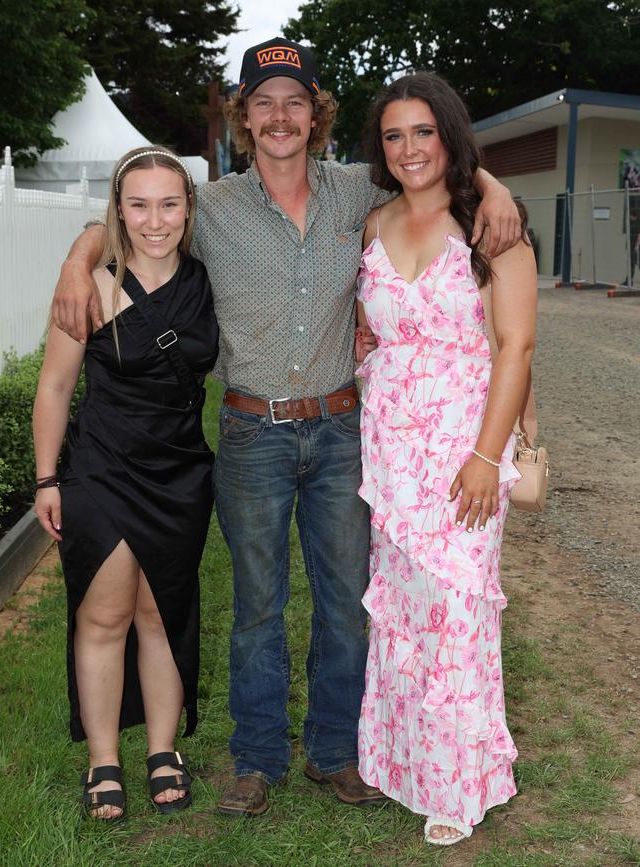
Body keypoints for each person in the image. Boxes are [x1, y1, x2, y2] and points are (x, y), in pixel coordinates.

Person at [49, 38, 522, 818]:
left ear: (316, 115)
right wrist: (76, 256)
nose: (279, 116)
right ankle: (257, 757)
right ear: (243, 116)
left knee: (345, 600)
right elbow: (137, 223)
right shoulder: (213, 206)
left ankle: (336, 752)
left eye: (294, 102)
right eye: (262, 102)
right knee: (257, 606)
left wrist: (493, 183)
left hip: (342, 431)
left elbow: (434, 169)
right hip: (251, 435)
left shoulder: (354, 192)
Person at [355, 72, 537, 845]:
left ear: (450, 134)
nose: (409, 149)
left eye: (423, 131)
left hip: (465, 448)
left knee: (459, 612)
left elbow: (518, 345)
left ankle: (458, 784)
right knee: (403, 614)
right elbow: (372, 330)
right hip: (389, 453)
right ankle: (404, 762)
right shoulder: (373, 223)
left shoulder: (492, 224)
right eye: (394, 135)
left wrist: (487, 457)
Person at [33, 146, 219, 822]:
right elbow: (54, 387)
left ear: (189, 208)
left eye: (169, 203)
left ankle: (163, 749)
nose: (155, 219)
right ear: (117, 210)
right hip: (101, 471)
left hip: (180, 474)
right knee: (105, 614)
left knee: (162, 613)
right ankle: (104, 759)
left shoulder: (206, 280)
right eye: (138, 204)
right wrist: (47, 477)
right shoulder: (92, 286)